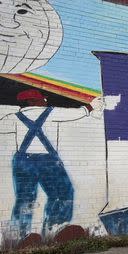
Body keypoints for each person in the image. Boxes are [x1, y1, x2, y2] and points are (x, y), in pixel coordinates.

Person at [0, 89, 103, 239]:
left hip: (23, 162)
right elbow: (75, 114)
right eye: (43, 99)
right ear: (35, 101)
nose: (46, 101)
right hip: (48, 162)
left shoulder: (13, 118)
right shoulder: (52, 113)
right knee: (62, 194)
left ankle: (18, 237)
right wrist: (90, 106)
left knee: (24, 199)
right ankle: (54, 229)